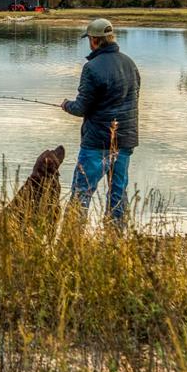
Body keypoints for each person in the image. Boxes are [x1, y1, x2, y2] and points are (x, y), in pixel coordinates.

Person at [60, 18, 140, 221]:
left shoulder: (92, 68)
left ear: (94, 40)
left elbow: (80, 108)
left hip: (97, 142)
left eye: (89, 39)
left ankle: (72, 239)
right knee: (118, 192)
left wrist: (66, 105)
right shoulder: (130, 63)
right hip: (124, 141)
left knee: (82, 192)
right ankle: (117, 237)